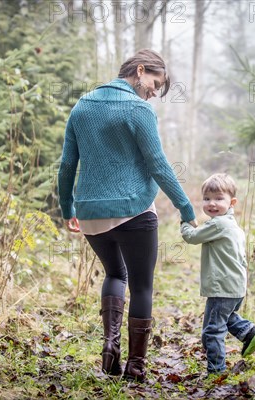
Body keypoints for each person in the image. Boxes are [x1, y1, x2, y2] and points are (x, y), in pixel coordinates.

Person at [57, 49, 197, 382]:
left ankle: (109, 349)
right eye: (155, 83)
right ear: (140, 69)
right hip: (134, 211)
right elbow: (158, 165)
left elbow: (66, 166)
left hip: (91, 215)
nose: (154, 92)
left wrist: (68, 208)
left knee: (115, 275)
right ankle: (135, 367)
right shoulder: (138, 109)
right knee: (142, 286)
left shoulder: (82, 106)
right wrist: (185, 207)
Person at [180, 173, 255, 375]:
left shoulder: (218, 224)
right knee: (224, 319)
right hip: (235, 287)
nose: (212, 204)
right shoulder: (233, 225)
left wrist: (184, 221)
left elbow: (191, 236)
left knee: (212, 331)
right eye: (207, 199)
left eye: (219, 198)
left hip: (222, 288)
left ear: (232, 202)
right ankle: (248, 332)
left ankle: (216, 371)